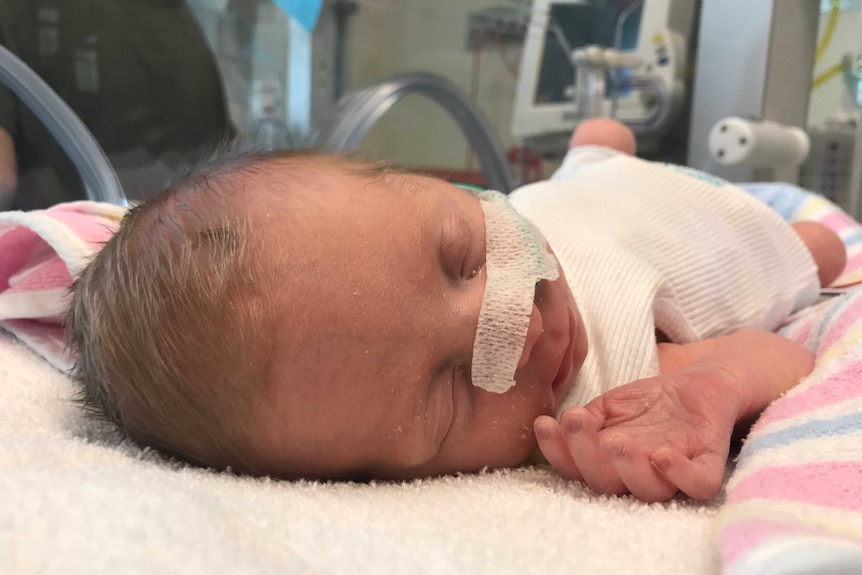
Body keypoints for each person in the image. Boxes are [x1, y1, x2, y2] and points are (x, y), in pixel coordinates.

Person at [65, 118, 847, 503]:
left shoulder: (484, 219)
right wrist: (706, 395)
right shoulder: (607, 397)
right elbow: (776, 354)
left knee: (580, 176)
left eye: (458, 255)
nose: (518, 326)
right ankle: (598, 155)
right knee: (820, 251)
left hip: (582, 201)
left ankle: (596, 155)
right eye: (448, 394)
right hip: (699, 224)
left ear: (423, 178)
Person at [0, 0, 235, 210]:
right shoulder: (173, 14)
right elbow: (228, 154)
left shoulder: (18, 12)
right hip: (184, 232)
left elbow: (2, 180)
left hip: (78, 243)